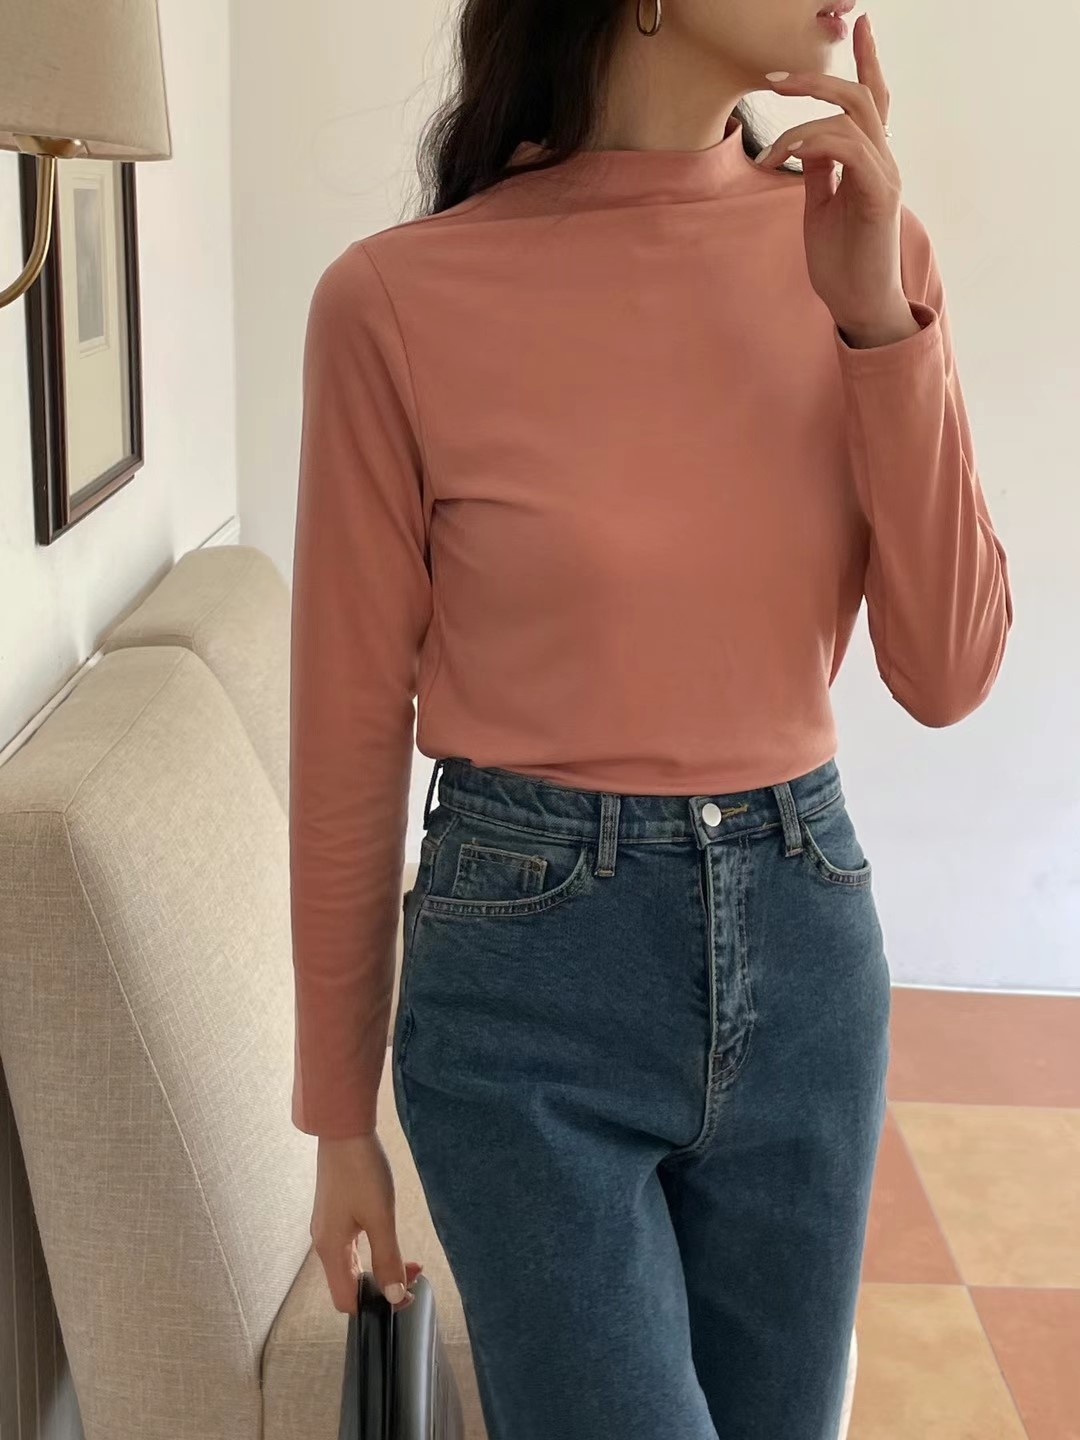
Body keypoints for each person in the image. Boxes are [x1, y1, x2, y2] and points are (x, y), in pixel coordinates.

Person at [288, 1, 1013, 1435]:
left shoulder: (865, 255)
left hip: (809, 953)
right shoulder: (394, 300)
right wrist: (337, 1118)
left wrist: (878, 320)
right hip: (527, 993)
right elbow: (347, 733)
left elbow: (949, 673)